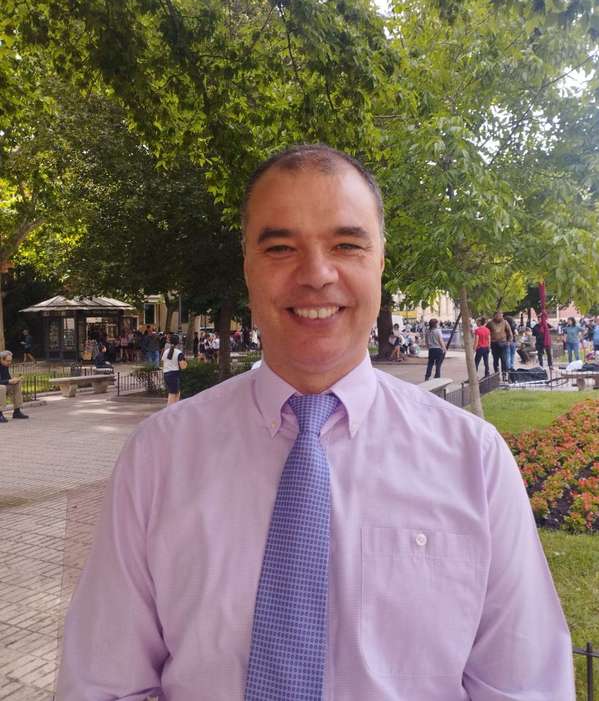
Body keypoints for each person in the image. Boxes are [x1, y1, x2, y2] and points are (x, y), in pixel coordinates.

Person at [57, 144, 574, 700]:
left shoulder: (474, 460)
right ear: (248, 269)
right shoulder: (159, 459)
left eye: (347, 245)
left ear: (380, 262)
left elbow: (525, 687)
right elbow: (103, 684)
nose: (316, 275)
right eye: (281, 248)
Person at [0, 350, 29, 422]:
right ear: (1, 359)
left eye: (10, 361)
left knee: (16, 384)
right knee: (2, 388)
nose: (9, 363)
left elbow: (6, 379)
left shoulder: (5, 366)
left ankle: (17, 411)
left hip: (3, 386)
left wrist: (15, 380)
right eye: (8, 361)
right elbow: (5, 381)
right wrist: (9, 381)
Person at [161, 333, 188, 406]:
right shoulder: (179, 353)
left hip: (166, 374)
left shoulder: (166, 351)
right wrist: (186, 362)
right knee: (173, 393)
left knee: (176, 393)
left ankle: (174, 409)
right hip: (174, 375)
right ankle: (169, 410)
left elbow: (163, 363)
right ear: (178, 342)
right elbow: (183, 367)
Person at [487, 310, 512, 377]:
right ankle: (496, 374)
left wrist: (509, 342)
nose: (500, 317)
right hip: (494, 343)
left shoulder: (505, 322)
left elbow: (510, 333)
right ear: (495, 316)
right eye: (498, 315)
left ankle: (504, 374)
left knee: (504, 360)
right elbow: (486, 332)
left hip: (503, 343)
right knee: (495, 360)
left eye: (501, 315)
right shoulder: (490, 323)